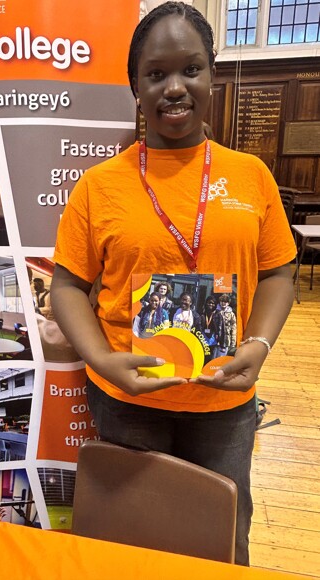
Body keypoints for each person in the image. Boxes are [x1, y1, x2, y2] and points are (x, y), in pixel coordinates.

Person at [51, 1, 295, 566]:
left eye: (191, 69)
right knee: (130, 541)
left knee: (222, 537)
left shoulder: (251, 176)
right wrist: (100, 359)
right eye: (156, 74)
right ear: (135, 87)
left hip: (223, 400)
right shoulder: (98, 186)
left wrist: (259, 344)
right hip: (128, 399)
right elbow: (67, 285)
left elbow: (279, 271)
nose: (175, 88)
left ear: (212, 74)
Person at [199, 295, 224, 363]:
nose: (211, 304)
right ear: (206, 303)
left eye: (213, 303)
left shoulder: (218, 315)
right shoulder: (202, 313)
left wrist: (222, 343)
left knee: (211, 359)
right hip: (202, 339)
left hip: (213, 340)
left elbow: (221, 329)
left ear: (215, 305)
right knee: (202, 358)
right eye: (209, 303)